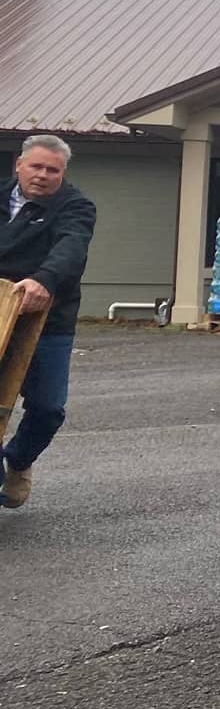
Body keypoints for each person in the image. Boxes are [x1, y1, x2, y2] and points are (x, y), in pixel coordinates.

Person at [0, 134, 97, 509]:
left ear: (63, 173)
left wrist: (44, 279)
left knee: (47, 407)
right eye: (36, 166)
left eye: (51, 170)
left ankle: (19, 460)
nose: (42, 175)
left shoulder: (76, 206)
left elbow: (71, 246)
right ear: (19, 165)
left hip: (46, 317)